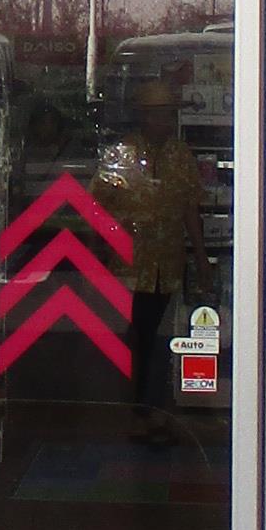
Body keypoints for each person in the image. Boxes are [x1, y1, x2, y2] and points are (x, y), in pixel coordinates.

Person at [96, 77, 209, 437]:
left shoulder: (181, 155)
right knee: (136, 336)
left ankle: (154, 407)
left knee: (162, 338)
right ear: (143, 116)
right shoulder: (121, 154)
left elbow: (190, 208)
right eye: (157, 114)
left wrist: (201, 259)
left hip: (168, 262)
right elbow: (97, 206)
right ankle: (137, 409)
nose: (164, 121)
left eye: (168, 114)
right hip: (129, 265)